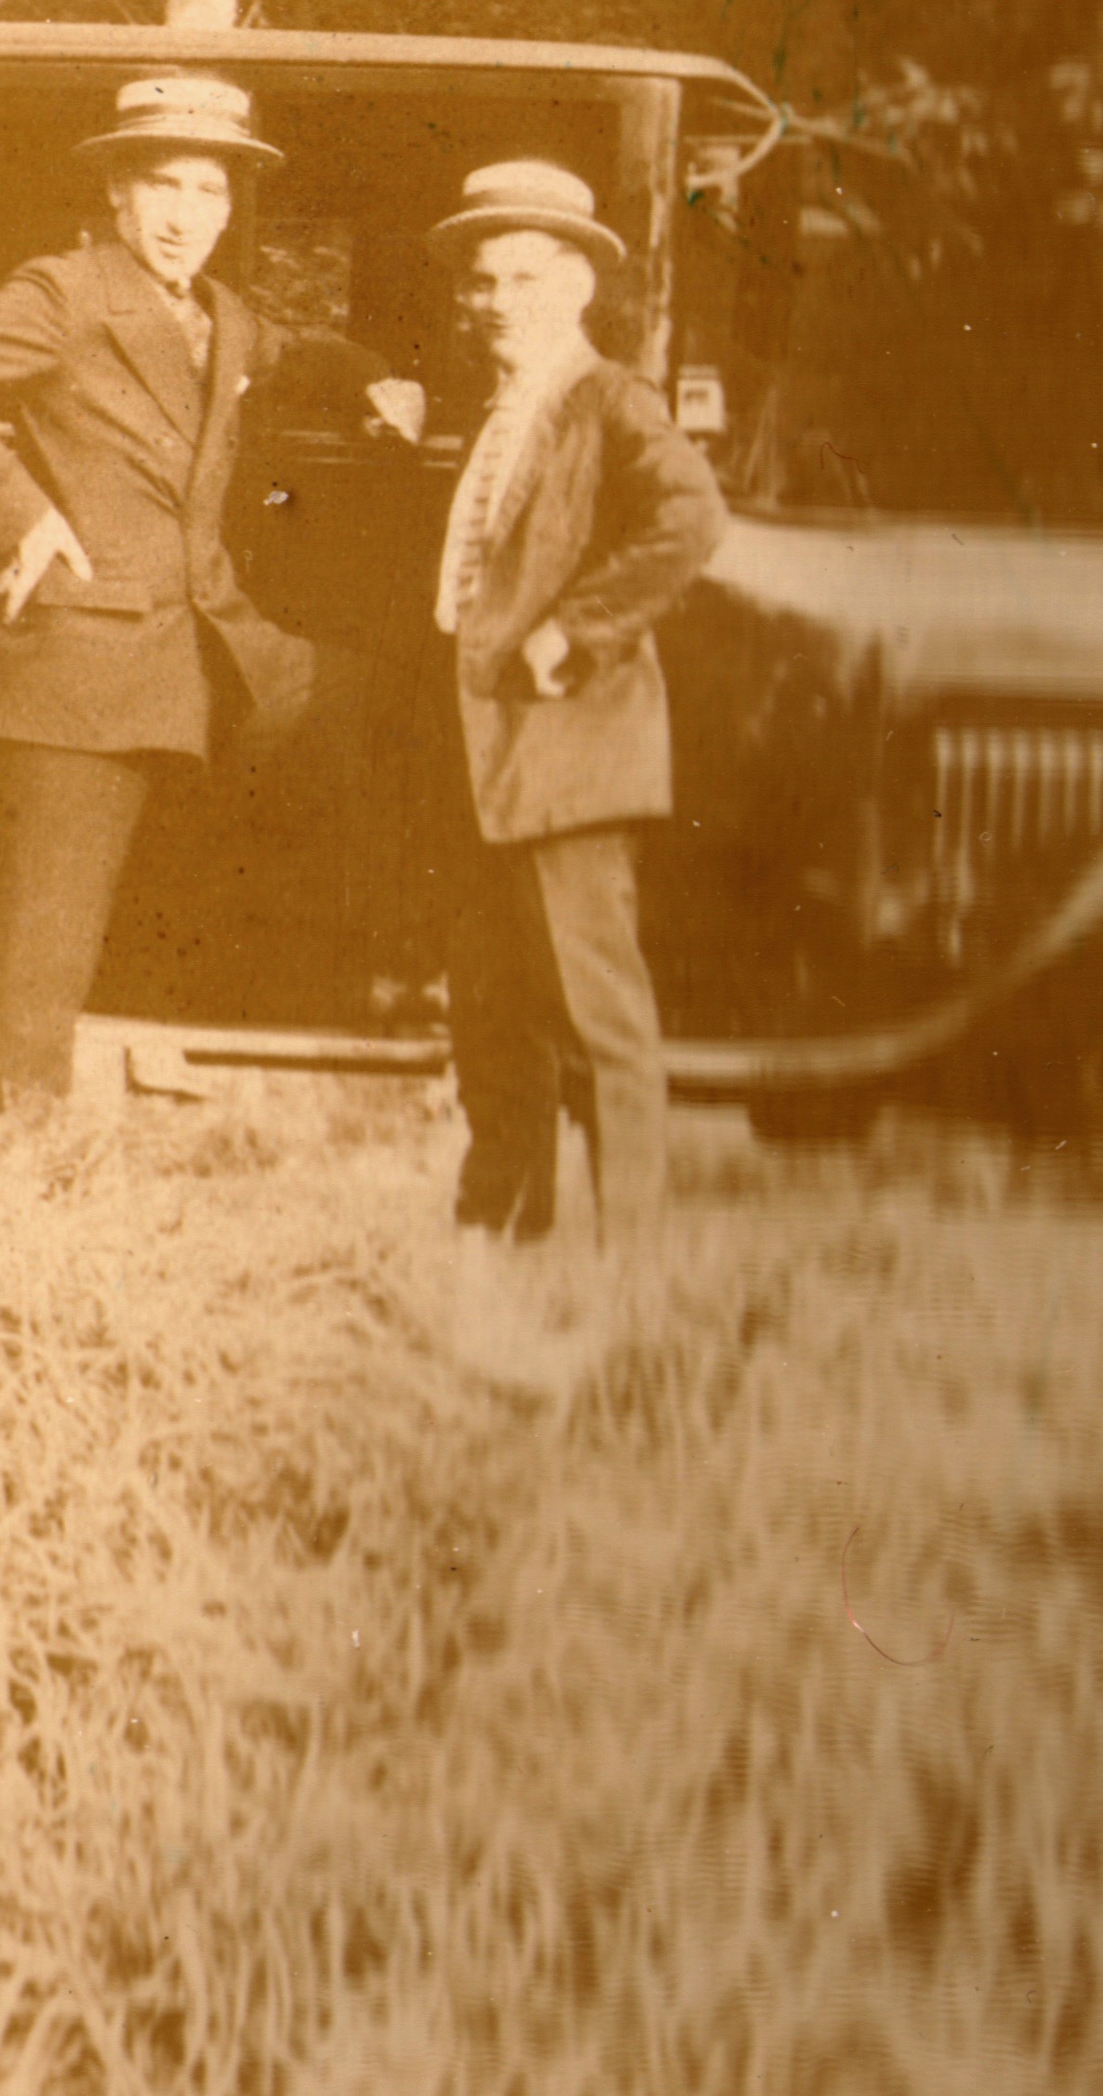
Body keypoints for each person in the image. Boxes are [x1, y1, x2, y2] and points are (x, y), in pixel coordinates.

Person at [0, 74, 411, 1121]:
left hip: (208, 643)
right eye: (161, 185)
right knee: (47, 935)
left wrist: (375, 380)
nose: (183, 215)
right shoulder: (65, 292)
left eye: (207, 190)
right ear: (117, 192)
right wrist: (21, 513)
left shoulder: (219, 315)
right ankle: (9, 1149)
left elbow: (294, 352)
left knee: (385, 700)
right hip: (85, 656)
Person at [423, 160, 727, 1342]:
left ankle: (631, 1287)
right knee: (494, 1018)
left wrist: (576, 631)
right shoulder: (501, 412)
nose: (496, 302)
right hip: (491, 763)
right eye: (482, 281)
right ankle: (498, 1255)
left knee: (600, 1029)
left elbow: (690, 516)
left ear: (580, 288)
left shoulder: (608, 400)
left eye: (525, 278)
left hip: (571, 756)